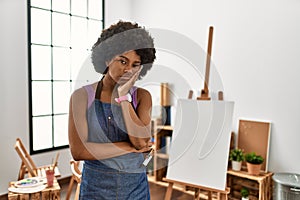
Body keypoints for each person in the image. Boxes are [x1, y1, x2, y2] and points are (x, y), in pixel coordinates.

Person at [68, 20, 156, 200]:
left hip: (135, 189)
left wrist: (124, 96)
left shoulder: (142, 97)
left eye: (135, 65)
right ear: (107, 59)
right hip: (95, 189)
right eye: (123, 61)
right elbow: (79, 152)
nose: (128, 70)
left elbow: (141, 143)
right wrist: (127, 146)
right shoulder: (81, 97)